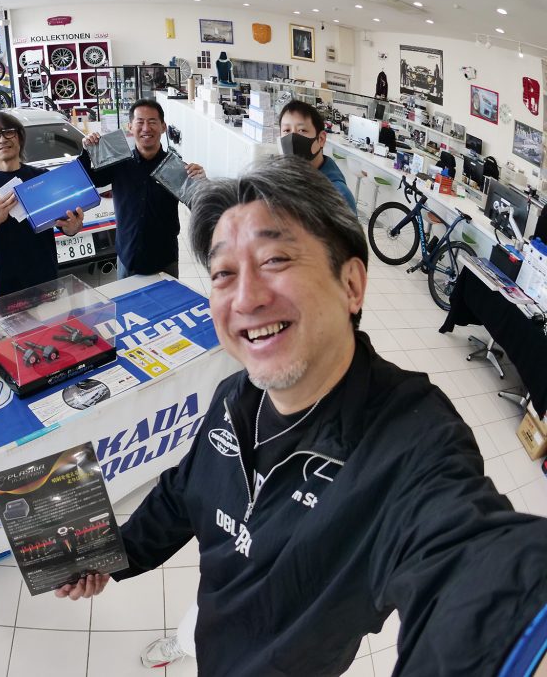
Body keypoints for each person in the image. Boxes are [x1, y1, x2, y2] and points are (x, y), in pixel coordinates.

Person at [54, 157, 547, 675]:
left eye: (275, 259)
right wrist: (111, 554)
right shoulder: (235, 396)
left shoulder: (412, 440)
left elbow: (467, 565)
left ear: (351, 285)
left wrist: (517, 627)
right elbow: (184, 491)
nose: (246, 298)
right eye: (223, 273)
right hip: (215, 647)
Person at [0, 111, 83, 299]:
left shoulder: (41, 177)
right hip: (4, 285)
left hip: (46, 279)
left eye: (8, 132)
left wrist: (73, 227)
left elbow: (66, 225)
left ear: (19, 137)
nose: (2, 139)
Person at [78, 99, 205, 279]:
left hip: (165, 260)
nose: (146, 128)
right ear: (130, 127)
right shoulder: (118, 163)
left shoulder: (176, 169)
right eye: (140, 122)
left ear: (163, 127)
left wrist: (202, 184)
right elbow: (86, 180)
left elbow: (201, 208)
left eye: (152, 122)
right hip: (127, 258)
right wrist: (86, 152)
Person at [278, 99, 357, 213]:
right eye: (286, 130)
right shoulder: (279, 181)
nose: (292, 138)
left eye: (302, 130)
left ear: (321, 139)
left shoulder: (338, 196)